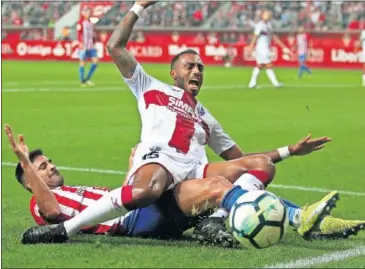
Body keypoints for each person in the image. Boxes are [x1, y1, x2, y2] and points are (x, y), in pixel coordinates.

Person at [19, 1, 336, 245]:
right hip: (157, 175)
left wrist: (290, 150)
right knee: (151, 188)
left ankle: (219, 218)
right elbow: (115, 47)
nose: (197, 70)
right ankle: (292, 216)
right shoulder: (151, 88)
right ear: (174, 72)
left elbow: (237, 160)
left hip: (187, 180)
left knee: (262, 165)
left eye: (201, 66)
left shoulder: (205, 116)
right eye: (190, 65)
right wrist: (139, 6)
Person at [5, 125, 364, 245]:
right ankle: (298, 219)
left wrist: (131, 172)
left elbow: (115, 199)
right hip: (137, 222)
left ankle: (225, 218)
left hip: (141, 208)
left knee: (239, 174)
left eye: (47, 162)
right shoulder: (42, 205)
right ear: (30, 184)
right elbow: (53, 211)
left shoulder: (75, 190)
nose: (49, 167)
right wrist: (24, 162)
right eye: (41, 168)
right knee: (219, 187)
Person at [247, 9, 292, 88]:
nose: (267, 16)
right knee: (268, 65)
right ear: (262, 16)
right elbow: (255, 36)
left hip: (265, 47)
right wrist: (251, 46)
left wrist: (283, 47)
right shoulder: (260, 25)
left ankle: (252, 83)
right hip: (261, 48)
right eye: (265, 14)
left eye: (268, 14)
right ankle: (276, 83)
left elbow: (273, 36)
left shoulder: (269, 24)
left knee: (259, 65)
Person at [77, 7, 98, 87]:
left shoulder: (91, 22)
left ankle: (87, 79)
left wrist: (95, 42)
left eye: (89, 12)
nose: (88, 13)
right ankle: (82, 81)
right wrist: (80, 43)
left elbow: (92, 34)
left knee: (95, 62)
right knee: (82, 63)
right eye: (87, 12)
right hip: (84, 46)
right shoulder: (81, 22)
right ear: (83, 13)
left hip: (91, 46)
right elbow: (79, 33)